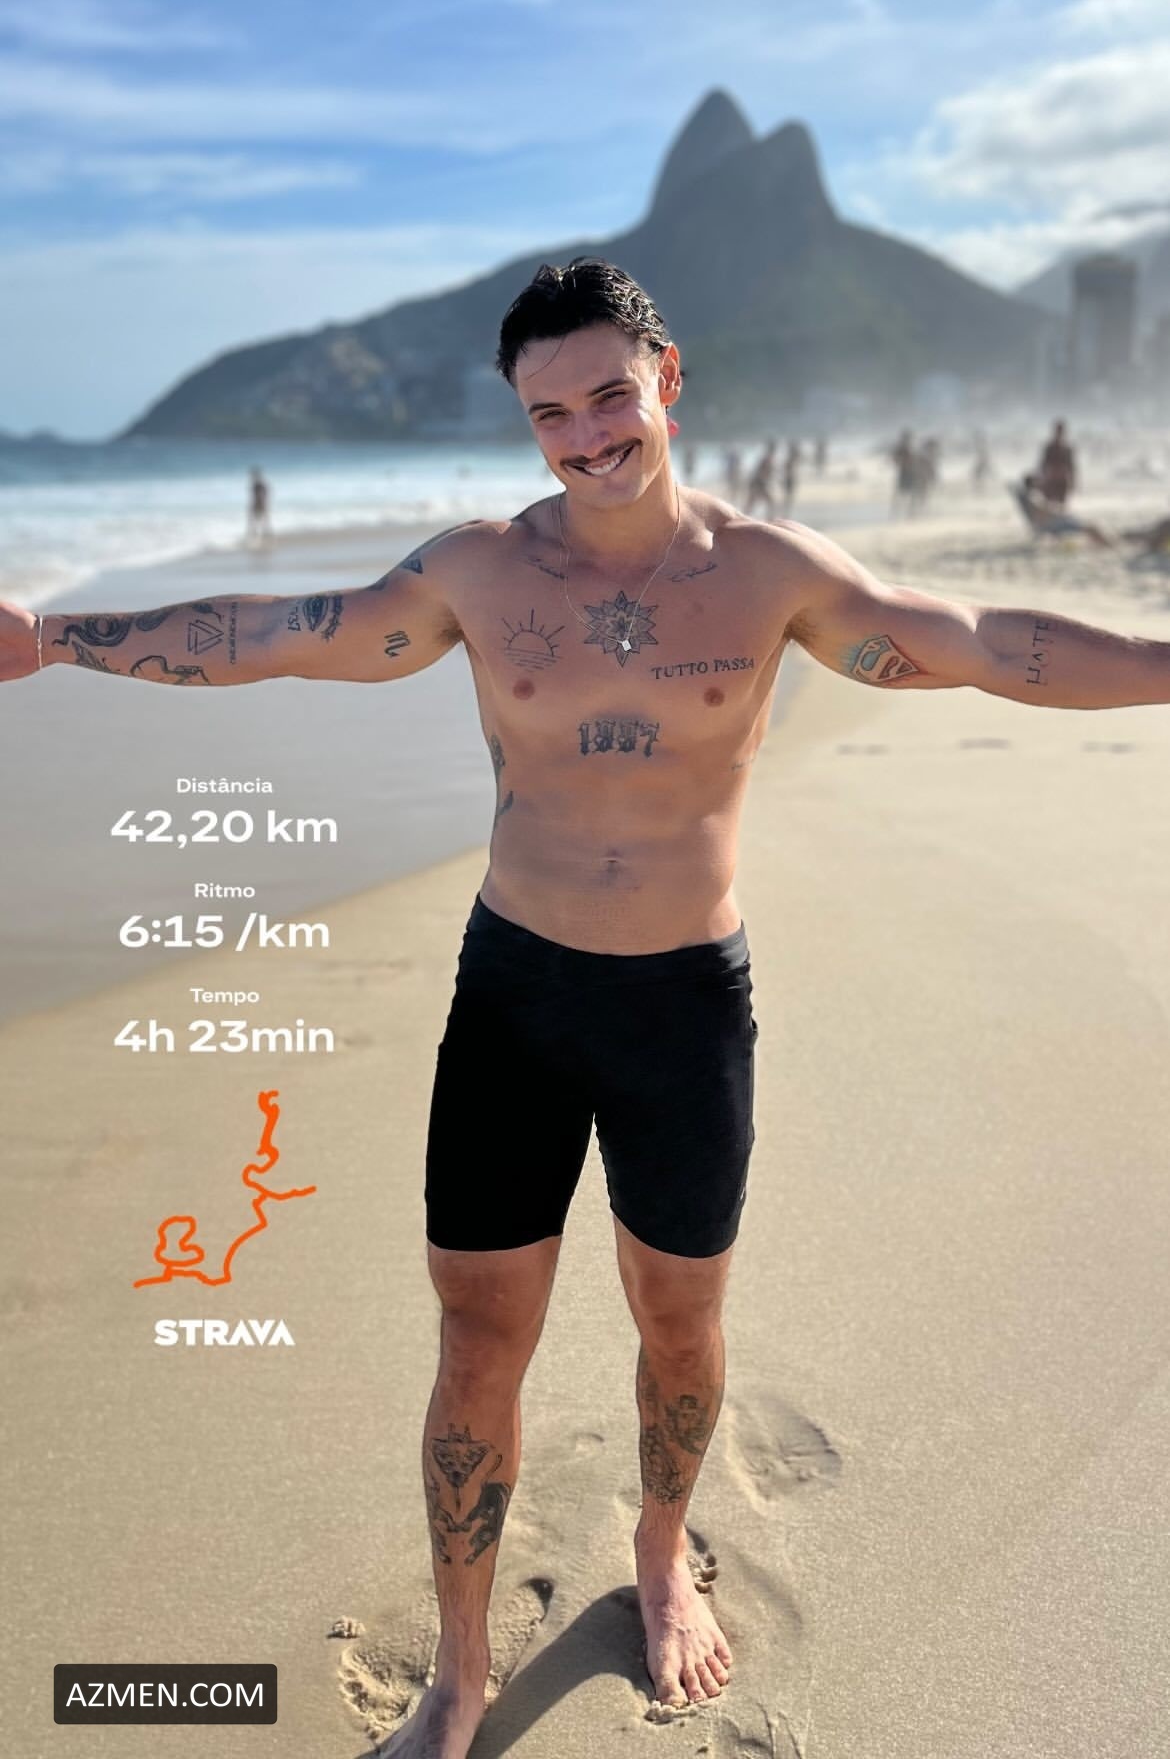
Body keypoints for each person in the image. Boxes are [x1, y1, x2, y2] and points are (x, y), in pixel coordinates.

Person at [3, 254, 1168, 1759]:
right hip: (518, 997)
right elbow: (284, 629)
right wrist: (60, 641)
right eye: (548, 414)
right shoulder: (481, 573)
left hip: (685, 1007)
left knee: (679, 1324)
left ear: (665, 379)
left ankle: (661, 1553)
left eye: (607, 397)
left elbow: (984, 644)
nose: (584, 436)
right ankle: (459, 1675)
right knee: (477, 1334)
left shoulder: (770, 574)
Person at [1010, 475, 1116, 549]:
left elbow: (1040, 513)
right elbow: (1041, 514)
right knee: (1090, 527)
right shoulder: (1033, 497)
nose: (1039, 483)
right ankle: (1108, 545)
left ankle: (1106, 543)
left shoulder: (1030, 497)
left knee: (1088, 526)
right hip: (1053, 524)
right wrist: (1054, 511)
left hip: (1053, 522)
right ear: (1032, 484)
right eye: (1037, 481)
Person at [1038, 420, 1076, 509]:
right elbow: (1043, 464)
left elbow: (1071, 467)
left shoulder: (1067, 449)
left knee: (1060, 505)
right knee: (1047, 503)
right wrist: (1043, 477)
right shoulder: (1050, 448)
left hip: (1062, 481)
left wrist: (1073, 481)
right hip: (1050, 480)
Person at [742, 437, 778, 519]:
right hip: (758, 483)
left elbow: (760, 472)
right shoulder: (768, 459)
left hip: (757, 483)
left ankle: (742, 518)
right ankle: (770, 519)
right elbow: (762, 473)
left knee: (751, 503)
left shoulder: (767, 458)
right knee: (768, 502)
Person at [246, 465, 272, 547]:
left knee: (260, 521)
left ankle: (263, 536)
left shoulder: (258, 484)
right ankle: (259, 536)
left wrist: (262, 502)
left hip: (259, 504)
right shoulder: (257, 484)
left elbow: (263, 494)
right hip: (259, 503)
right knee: (258, 521)